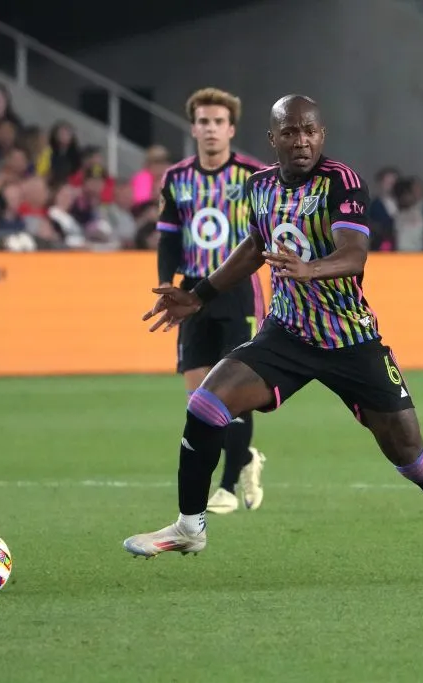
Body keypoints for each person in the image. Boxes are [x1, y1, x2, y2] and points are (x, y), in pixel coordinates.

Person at [126, 95, 423, 587]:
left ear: (322, 134)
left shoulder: (341, 181)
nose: (302, 141)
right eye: (290, 132)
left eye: (310, 130)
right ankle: (189, 525)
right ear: (273, 139)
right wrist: (198, 295)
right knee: (205, 406)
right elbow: (255, 248)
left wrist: (309, 269)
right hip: (286, 333)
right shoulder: (259, 186)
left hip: (351, 339)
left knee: (412, 458)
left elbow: (355, 253)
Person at [156, 87, 267, 514]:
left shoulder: (253, 176)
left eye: (219, 122)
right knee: (200, 399)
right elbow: (168, 238)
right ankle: (245, 457)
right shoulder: (176, 179)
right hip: (192, 293)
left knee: (234, 390)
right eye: (203, 121)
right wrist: (165, 284)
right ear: (193, 128)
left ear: (231, 129)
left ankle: (226, 486)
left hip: (238, 292)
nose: (211, 129)